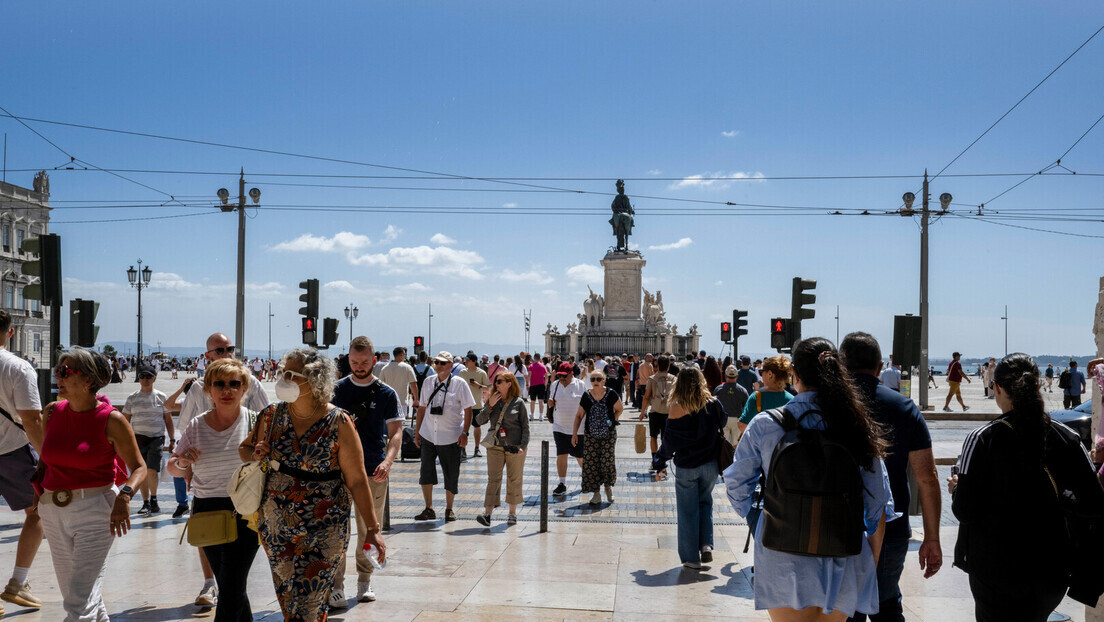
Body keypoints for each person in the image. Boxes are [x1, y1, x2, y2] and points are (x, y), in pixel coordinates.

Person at [725, 337, 893, 620]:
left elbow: (736, 484)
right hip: (842, 553)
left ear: (795, 375)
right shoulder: (856, 425)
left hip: (782, 552)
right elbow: (878, 503)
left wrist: (759, 521)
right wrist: (867, 561)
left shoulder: (767, 424)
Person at [949, 353, 1104, 621]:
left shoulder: (983, 439)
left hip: (995, 570)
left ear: (997, 388)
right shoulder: (1066, 437)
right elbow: (1094, 503)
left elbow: (965, 510)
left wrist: (957, 487)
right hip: (1051, 570)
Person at [241, 348, 386, 621]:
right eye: (283, 372)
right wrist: (256, 452)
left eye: (291, 375)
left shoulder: (339, 421)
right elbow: (245, 449)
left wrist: (373, 530)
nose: (283, 379)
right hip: (277, 528)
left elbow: (356, 479)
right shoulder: (271, 416)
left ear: (315, 379)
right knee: (290, 605)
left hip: (325, 528)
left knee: (309, 606)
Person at [24, 347, 147, 622]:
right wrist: (39, 491)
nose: (58, 377)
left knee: (78, 603)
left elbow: (140, 467)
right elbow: (46, 459)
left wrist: (124, 497)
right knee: (83, 597)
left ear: (88, 380)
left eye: (65, 372)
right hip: (53, 512)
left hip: (95, 511)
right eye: (58, 371)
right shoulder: (52, 412)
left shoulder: (111, 420)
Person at [840, 333, 942, 622]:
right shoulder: (904, 408)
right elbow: (927, 477)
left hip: (837, 528)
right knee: (886, 603)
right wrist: (932, 537)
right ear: (880, 366)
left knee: (846, 610)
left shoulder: (829, 405)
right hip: (892, 529)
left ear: (842, 366)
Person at [173, 333, 271, 607]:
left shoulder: (253, 404)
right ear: (209, 388)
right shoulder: (196, 409)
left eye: (234, 385)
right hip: (208, 504)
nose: (227, 390)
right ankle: (208, 584)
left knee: (232, 584)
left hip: (246, 503)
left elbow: (269, 419)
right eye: (219, 385)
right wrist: (185, 463)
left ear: (244, 388)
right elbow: (178, 454)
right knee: (232, 586)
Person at [331, 337, 403, 605]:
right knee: (337, 530)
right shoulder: (336, 390)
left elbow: (395, 434)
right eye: (353, 362)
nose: (359, 367)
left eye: (363, 362)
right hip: (337, 471)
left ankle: (365, 581)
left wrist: (388, 461)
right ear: (348, 360)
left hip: (374, 469)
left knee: (367, 529)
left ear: (374, 360)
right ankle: (336, 585)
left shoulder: (386, 393)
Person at [653, 367, 726, 569]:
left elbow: (669, 442)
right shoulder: (714, 403)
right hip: (711, 464)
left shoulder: (677, 407)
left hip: (687, 466)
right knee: (705, 504)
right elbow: (724, 421)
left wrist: (660, 462)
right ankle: (706, 545)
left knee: (687, 511)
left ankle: (691, 558)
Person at [0, 310, 44, 614]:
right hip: (14, 452)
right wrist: (49, 459)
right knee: (38, 512)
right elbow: (31, 419)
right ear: (10, 331)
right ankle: (18, 582)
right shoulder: (18, 368)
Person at [414, 351, 475, 522]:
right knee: (425, 472)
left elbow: (468, 409)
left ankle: (449, 509)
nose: (439, 365)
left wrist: (465, 433)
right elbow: (422, 408)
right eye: (436, 362)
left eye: (442, 363)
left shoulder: (459, 384)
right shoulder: (427, 382)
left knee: (451, 473)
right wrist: (418, 432)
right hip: (428, 434)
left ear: (450, 365)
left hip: (451, 436)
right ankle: (429, 508)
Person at [474, 371, 530, 526]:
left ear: (509, 383)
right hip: (495, 446)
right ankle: (487, 514)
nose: (496, 384)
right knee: (494, 480)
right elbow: (478, 420)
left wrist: (523, 447)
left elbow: (526, 428)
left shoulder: (519, 402)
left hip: (515, 447)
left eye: (499, 381)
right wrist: (489, 405)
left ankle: (512, 513)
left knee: (514, 479)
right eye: (496, 381)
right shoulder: (492, 400)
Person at [122, 364, 174, 516]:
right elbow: (125, 421)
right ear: (138, 378)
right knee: (142, 470)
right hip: (138, 438)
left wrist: (172, 439)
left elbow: (168, 419)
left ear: (154, 378)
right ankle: (145, 502)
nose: (145, 379)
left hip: (156, 437)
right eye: (142, 376)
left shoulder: (161, 397)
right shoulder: (132, 398)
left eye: (148, 377)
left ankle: (154, 499)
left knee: (152, 470)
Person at [572, 369, 623, 506]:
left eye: (598, 379)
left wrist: (612, 420)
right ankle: (596, 493)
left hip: (609, 434)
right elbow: (579, 415)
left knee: (607, 460)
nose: (595, 382)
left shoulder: (611, 393)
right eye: (593, 379)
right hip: (590, 434)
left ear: (604, 380)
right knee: (592, 463)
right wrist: (575, 433)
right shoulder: (586, 395)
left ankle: (608, 487)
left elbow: (620, 408)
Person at [548, 362, 587, 495]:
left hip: (578, 429)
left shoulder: (580, 385)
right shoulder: (555, 385)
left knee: (580, 456)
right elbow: (552, 400)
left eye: (565, 376)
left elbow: (587, 404)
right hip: (559, 426)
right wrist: (550, 403)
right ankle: (562, 483)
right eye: (560, 376)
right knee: (561, 454)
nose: (562, 379)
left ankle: (587, 477)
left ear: (571, 374)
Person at [738, 355, 794, 434]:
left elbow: (742, 425)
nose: (761, 375)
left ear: (770, 374)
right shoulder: (792, 400)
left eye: (761, 372)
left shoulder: (757, 397)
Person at [640, 355, 675, 458]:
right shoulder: (674, 379)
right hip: (669, 412)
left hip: (655, 411)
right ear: (668, 366)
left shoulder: (652, 379)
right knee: (665, 437)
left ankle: (655, 459)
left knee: (653, 436)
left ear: (657, 365)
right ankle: (663, 458)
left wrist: (642, 412)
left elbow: (646, 397)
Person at [459, 353, 490, 458]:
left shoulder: (481, 373)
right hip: (464, 405)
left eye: (467, 360)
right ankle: (462, 448)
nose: (465, 362)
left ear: (474, 361)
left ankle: (477, 448)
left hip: (477, 405)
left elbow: (488, 388)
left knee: (477, 427)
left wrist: (479, 386)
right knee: (463, 428)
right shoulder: (462, 373)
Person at [378, 346, 419, 420]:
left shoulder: (385, 368)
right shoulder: (407, 367)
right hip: (402, 401)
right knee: (400, 426)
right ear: (401, 355)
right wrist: (416, 399)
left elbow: (380, 385)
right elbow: (413, 384)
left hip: (388, 401)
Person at [713, 365, 749, 446]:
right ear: (737, 376)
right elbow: (747, 407)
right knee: (735, 445)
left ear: (725, 376)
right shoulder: (743, 390)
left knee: (724, 445)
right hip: (737, 419)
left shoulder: (718, 389)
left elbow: (713, 406)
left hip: (722, 419)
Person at [527, 354, 549, 421]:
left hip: (533, 385)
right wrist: (545, 385)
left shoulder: (531, 366)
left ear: (534, 358)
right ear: (540, 358)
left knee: (532, 400)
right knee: (541, 400)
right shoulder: (543, 366)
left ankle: (532, 414)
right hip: (541, 385)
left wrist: (527, 384)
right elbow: (546, 377)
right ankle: (541, 415)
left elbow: (529, 376)